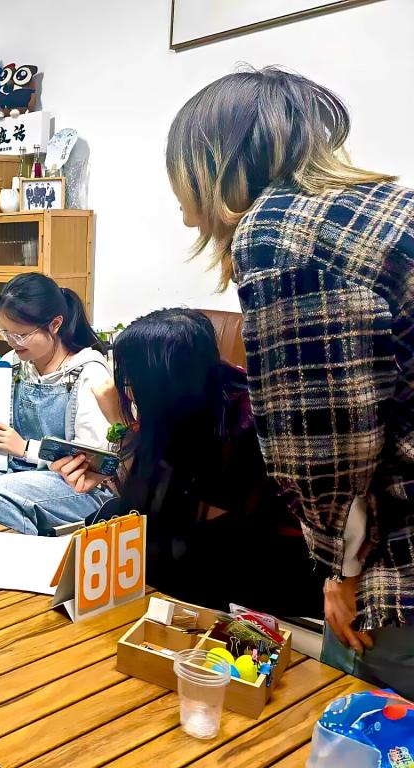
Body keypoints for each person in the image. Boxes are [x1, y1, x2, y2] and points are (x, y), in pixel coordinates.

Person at [165, 65, 414, 697]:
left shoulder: (278, 233)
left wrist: (342, 574)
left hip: (401, 551)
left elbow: (329, 444)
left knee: (365, 717)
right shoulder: (384, 206)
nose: (187, 216)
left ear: (212, 165)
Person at [54, 308, 322, 617]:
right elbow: (151, 491)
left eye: (131, 380)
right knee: (109, 520)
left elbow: (184, 509)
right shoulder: (186, 402)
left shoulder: (244, 422)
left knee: (147, 548)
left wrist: (118, 422)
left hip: (269, 556)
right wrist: (108, 467)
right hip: (205, 525)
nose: (127, 389)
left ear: (160, 383)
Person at [0, 273, 117, 535]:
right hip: (18, 470)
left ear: (55, 324)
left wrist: (25, 448)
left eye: (21, 335)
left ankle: (28, 559)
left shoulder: (89, 372)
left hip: (76, 485)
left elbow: (92, 459)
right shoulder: (14, 361)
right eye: (6, 332)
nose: (12, 342)